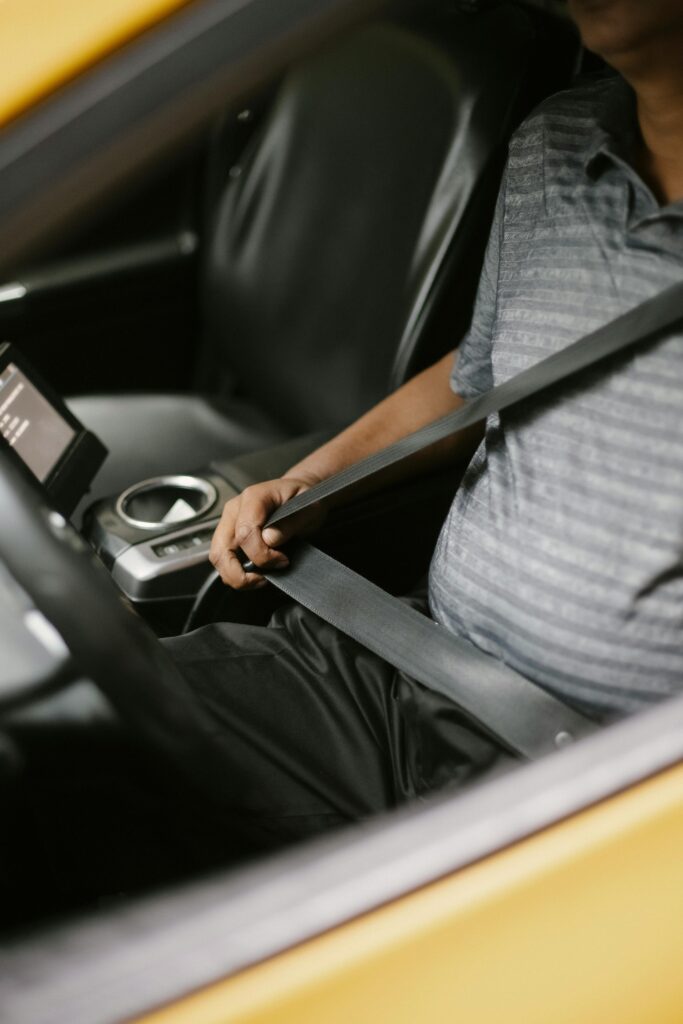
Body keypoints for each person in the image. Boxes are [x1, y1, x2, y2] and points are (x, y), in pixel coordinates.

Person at [160, 0, 683, 850]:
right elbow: (477, 373)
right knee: (80, 730)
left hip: (594, 787)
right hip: (403, 665)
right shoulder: (554, 141)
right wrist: (313, 479)